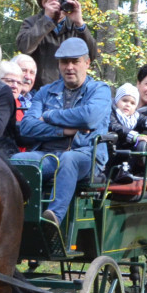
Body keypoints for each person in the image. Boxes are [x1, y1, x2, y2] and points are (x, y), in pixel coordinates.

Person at [10, 38, 110, 226]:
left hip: (86, 155)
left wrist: (49, 115)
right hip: (47, 155)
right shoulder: (45, 92)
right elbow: (27, 126)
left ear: (86, 63)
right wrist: (65, 130)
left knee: (68, 159)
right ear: (59, 64)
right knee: (17, 161)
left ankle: (53, 219)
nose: (69, 67)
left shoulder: (100, 90)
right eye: (65, 62)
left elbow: (89, 117)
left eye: (75, 61)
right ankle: (17, 217)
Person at [16, 0, 98, 90]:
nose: (60, 4)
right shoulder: (32, 23)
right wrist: (47, 20)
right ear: (44, 2)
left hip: (69, 91)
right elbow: (24, 47)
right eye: (56, 0)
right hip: (40, 91)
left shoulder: (75, 26)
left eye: (65, 0)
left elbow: (92, 55)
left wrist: (80, 24)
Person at [108, 83, 147, 183]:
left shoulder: (134, 116)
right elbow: (115, 127)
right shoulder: (111, 112)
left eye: (132, 103)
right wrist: (135, 136)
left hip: (125, 147)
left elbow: (143, 119)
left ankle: (146, 174)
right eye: (124, 100)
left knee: (139, 148)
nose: (128, 105)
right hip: (112, 147)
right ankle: (118, 174)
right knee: (128, 149)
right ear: (117, 100)